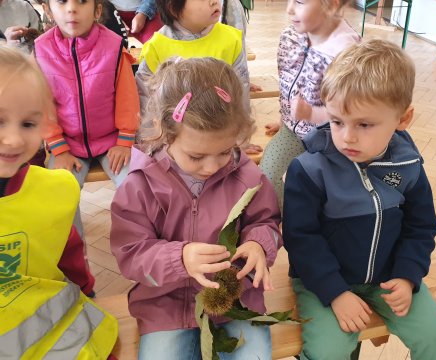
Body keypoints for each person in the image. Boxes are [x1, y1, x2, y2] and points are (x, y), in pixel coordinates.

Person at [283, 39, 436, 360]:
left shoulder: (409, 166)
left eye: (364, 124)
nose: (347, 136)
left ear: (403, 120)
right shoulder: (308, 169)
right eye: (336, 121)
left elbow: (422, 227)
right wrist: (335, 292)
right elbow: (301, 239)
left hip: (390, 280)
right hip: (323, 283)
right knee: (329, 351)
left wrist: (407, 276)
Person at [110, 57, 282, 360]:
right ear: (165, 133)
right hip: (164, 302)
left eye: (225, 152)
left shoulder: (249, 177)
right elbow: (131, 253)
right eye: (196, 155)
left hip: (235, 298)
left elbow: (265, 220)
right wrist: (179, 258)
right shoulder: (140, 186)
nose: (212, 166)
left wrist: (258, 244)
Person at [0, 45, 118, 359]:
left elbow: (70, 253)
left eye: (27, 124)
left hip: (53, 329)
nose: (12, 140)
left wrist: (86, 289)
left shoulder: (52, 192)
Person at [34, 0, 140, 240]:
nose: (72, 8)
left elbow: (127, 97)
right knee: (60, 199)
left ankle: (143, 251)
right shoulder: (41, 50)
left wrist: (124, 140)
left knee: (139, 187)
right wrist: (58, 147)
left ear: (97, 10)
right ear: (49, 10)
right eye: (62, 2)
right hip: (67, 144)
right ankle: (75, 272)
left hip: (112, 141)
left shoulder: (113, 46)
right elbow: (41, 104)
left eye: (82, 1)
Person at [259, 0, 360, 208]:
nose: (289, 9)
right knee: (266, 177)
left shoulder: (345, 53)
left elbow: (350, 115)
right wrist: (284, 118)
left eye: (300, 1)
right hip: (292, 130)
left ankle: (302, 226)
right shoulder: (291, 36)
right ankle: (277, 225)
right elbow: (288, 85)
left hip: (329, 141)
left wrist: (311, 114)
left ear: (331, 5)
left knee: (309, 191)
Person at [135, 0, 261, 154]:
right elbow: (146, 99)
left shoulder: (231, 39)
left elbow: (241, 89)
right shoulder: (156, 47)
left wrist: (241, 137)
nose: (215, 2)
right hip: (174, 143)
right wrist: (154, 143)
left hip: (221, 137)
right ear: (173, 8)